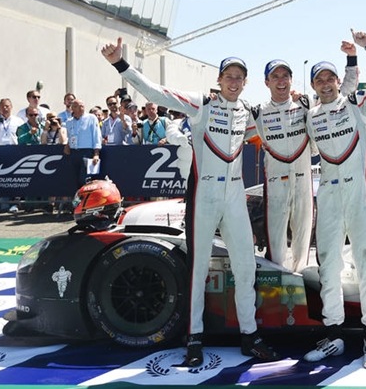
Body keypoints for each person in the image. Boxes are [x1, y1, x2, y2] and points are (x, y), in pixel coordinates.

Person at [101, 37, 279, 366]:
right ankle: (194, 338)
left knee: (246, 267)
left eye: (239, 77)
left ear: (245, 81)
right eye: (229, 76)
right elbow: (157, 93)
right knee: (198, 269)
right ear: (219, 79)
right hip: (204, 194)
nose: (234, 81)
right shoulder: (202, 104)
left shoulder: (246, 110)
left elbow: (274, 128)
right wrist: (120, 64)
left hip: (235, 195)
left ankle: (250, 335)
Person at [303, 29, 366, 370]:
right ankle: (333, 336)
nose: (327, 84)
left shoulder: (358, 106)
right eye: (320, 80)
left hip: (359, 191)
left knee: (364, 262)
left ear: (338, 81)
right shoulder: (310, 116)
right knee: (328, 264)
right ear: (314, 86)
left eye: (331, 78)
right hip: (328, 191)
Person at [251, 47, 357, 273]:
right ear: (266, 82)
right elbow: (233, 130)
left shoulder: (306, 105)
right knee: (276, 239)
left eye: (285, 76)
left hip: (303, 180)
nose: (281, 81)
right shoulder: (258, 112)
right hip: (275, 182)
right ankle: (276, 280)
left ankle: (300, 279)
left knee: (303, 236)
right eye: (275, 77)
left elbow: (342, 93)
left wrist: (351, 60)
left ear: (292, 80)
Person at [63, 98, 102, 192]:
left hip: (86, 152)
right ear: (72, 108)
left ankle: (86, 200)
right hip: (73, 152)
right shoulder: (69, 122)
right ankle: (78, 200)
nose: (80, 108)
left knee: (84, 179)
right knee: (74, 179)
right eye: (77, 106)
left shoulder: (91, 118)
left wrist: (96, 153)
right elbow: (70, 136)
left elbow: (96, 135)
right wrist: (67, 145)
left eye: (82, 106)